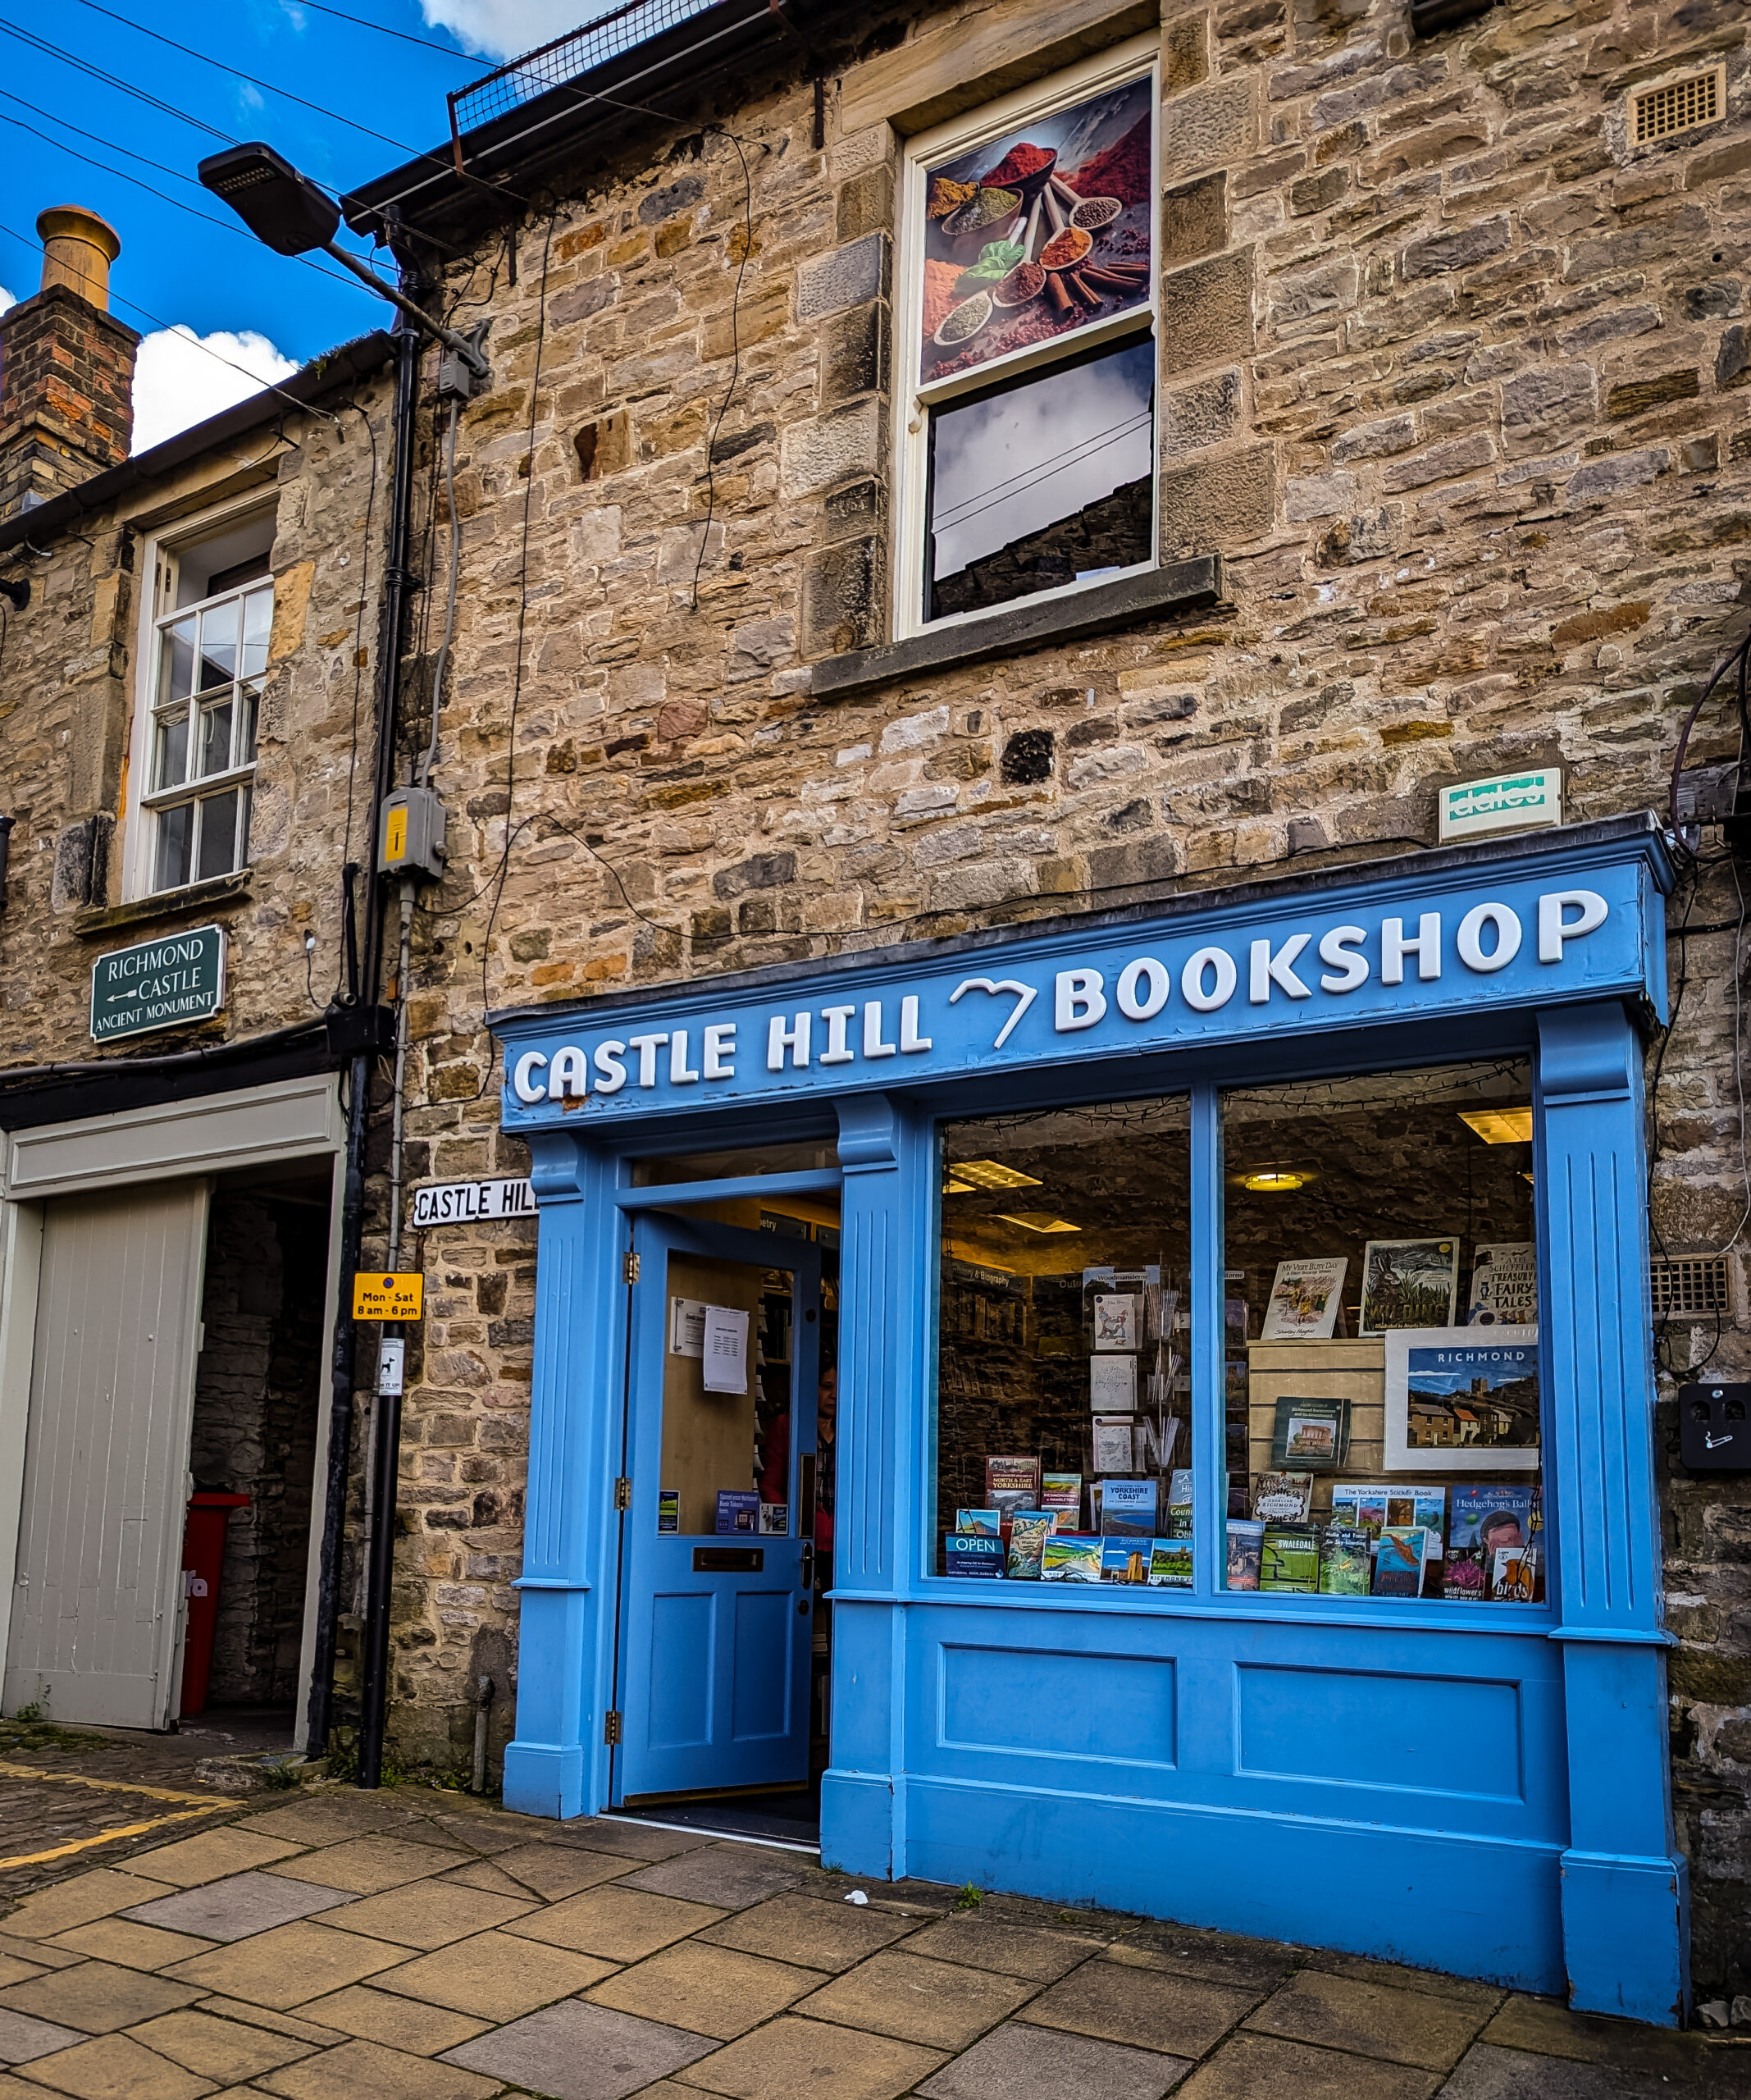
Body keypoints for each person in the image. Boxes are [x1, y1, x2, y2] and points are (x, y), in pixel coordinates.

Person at [759, 1363, 837, 1580]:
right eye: (827, 1387)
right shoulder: (787, 1425)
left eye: (839, 1388)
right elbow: (771, 1483)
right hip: (799, 1536)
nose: (834, 1395)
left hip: (844, 1541)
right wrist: (785, 1526)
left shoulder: (851, 1428)